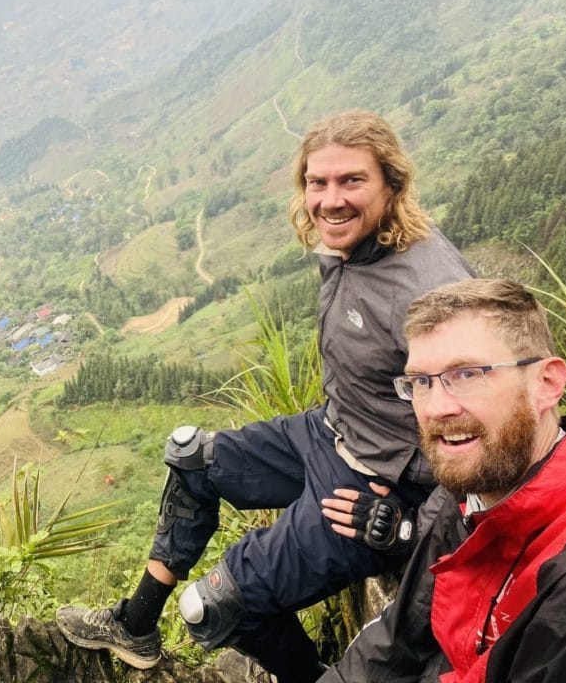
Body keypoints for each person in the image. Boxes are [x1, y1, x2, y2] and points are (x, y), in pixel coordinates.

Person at [56, 110, 475, 681]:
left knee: (213, 607)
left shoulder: (430, 293)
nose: (330, 200)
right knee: (192, 458)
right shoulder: (356, 247)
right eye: (317, 182)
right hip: (333, 431)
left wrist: (408, 527)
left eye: (352, 180)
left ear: (392, 184)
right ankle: (136, 624)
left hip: (378, 487)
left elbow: (487, 430)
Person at [319, 278, 566, 683]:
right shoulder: (469, 495)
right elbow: (398, 639)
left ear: (548, 384)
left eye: (467, 374)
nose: (436, 408)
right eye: (421, 382)